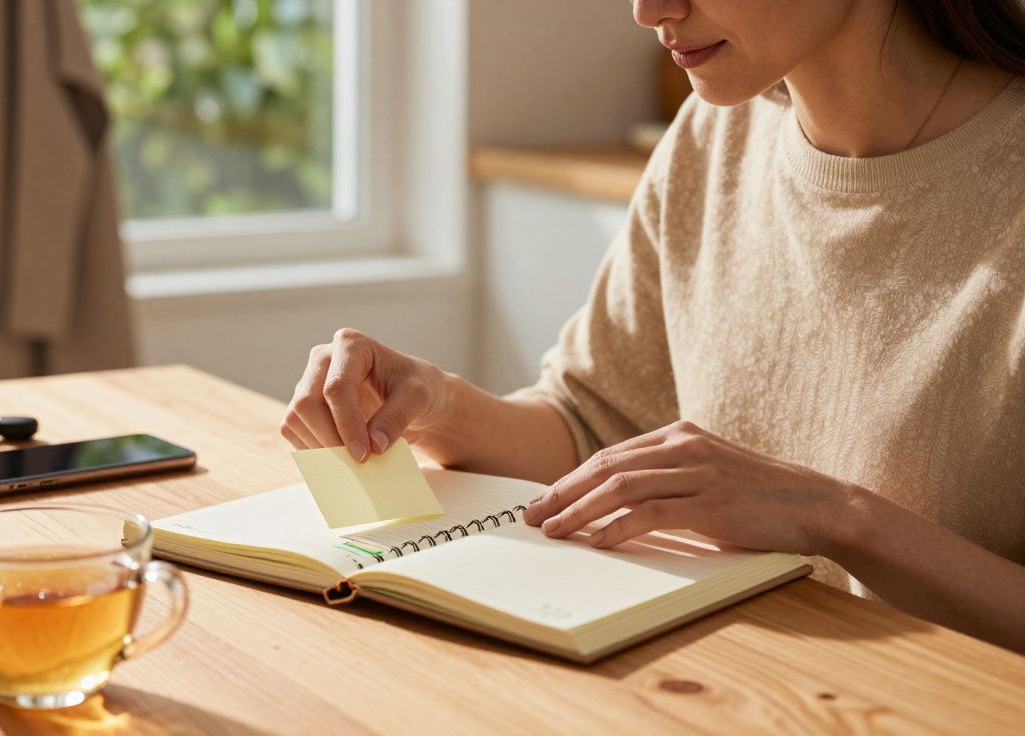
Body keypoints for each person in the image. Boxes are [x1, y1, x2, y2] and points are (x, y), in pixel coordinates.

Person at [280, 0, 1025, 652]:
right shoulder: (717, 134)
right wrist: (436, 403)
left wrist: (840, 518)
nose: (647, 9)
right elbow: (592, 425)